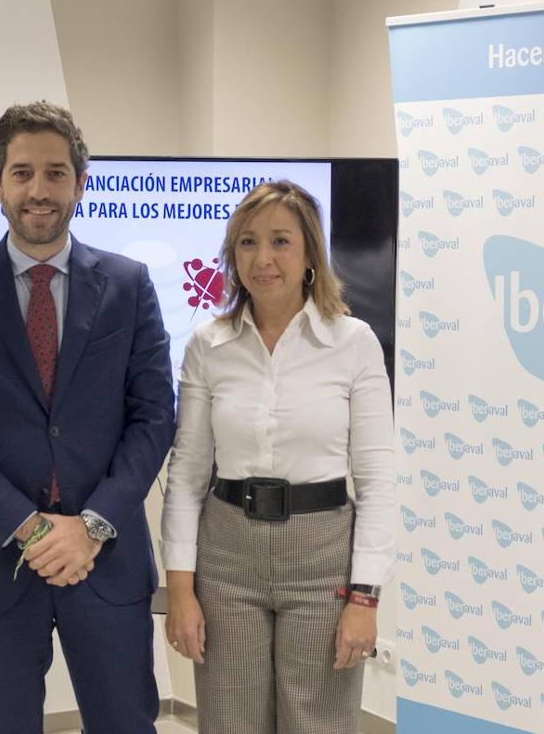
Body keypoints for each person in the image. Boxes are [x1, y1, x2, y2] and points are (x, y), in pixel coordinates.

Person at [0, 101, 175, 734]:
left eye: (56, 173)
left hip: (104, 560)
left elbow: (153, 419)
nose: (39, 190)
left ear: (80, 182)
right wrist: (29, 528)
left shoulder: (129, 285)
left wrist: (92, 525)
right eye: (22, 172)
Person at [161, 180, 395, 733]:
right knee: (229, 722)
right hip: (227, 562)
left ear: (310, 253)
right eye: (247, 243)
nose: (262, 259)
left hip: (323, 565)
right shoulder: (207, 345)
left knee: (319, 724)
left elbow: (379, 482)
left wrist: (365, 599)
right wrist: (180, 591)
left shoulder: (353, 342)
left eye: (281, 242)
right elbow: (187, 477)